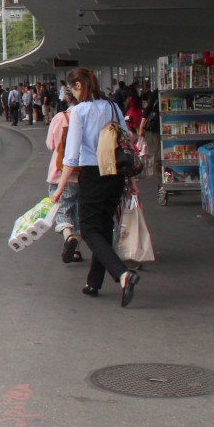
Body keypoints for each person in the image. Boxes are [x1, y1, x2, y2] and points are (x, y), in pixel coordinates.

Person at [52, 67, 141, 307]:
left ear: (78, 86)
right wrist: (131, 179)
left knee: (89, 230)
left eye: (71, 88)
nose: (71, 93)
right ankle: (93, 282)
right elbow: (127, 143)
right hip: (116, 175)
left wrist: (59, 189)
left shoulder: (79, 112)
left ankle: (122, 274)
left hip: (93, 174)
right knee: (103, 228)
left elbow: (71, 157)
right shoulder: (112, 106)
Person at [46, 88, 81, 263]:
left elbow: (51, 145)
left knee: (62, 209)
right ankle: (76, 250)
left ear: (68, 98)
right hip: (84, 173)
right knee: (79, 212)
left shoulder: (61, 117)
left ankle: (69, 238)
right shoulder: (86, 116)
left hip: (60, 173)